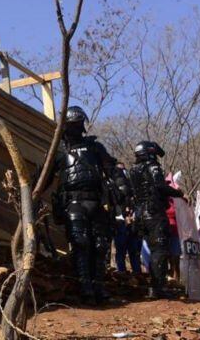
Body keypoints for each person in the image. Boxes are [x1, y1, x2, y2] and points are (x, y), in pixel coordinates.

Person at [43, 105, 121, 303]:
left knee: (100, 245)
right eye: (72, 125)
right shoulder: (58, 151)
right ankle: (85, 288)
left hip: (95, 202)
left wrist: (122, 188)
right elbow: (43, 177)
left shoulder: (95, 147)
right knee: (81, 244)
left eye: (78, 125)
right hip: (73, 203)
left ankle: (99, 286)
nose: (75, 129)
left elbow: (112, 168)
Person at [128, 140, 184, 298]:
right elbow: (160, 186)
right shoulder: (152, 167)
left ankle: (155, 287)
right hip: (154, 213)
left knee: (153, 251)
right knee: (160, 250)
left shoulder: (133, 170)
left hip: (140, 214)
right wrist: (178, 193)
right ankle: (158, 287)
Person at [112, 162, 142, 273]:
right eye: (119, 170)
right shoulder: (113, 187)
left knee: (134, 252)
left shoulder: (131, 187)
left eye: (123, 170)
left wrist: (134, 215)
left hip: (133, 223)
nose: (122, 172)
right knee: (121, 252)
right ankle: (122, 273)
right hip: (120, 222)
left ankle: (137, 273)